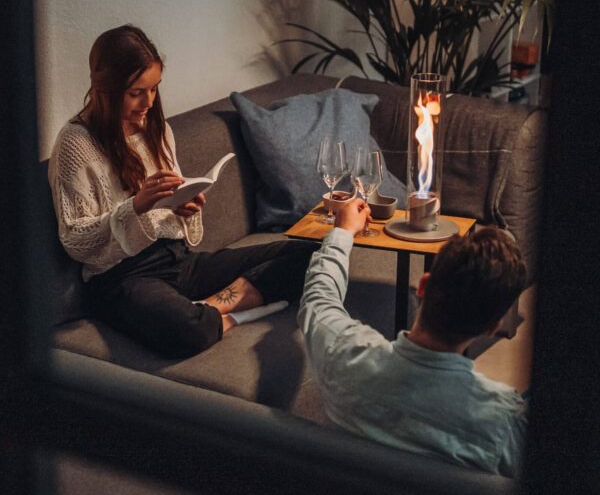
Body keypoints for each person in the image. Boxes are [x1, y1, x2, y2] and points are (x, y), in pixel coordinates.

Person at [49, 24, 317, 358]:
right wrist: (136, 207)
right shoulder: (76, 144)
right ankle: (216, 315)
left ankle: (209, 308)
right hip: (123, 277)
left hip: (178, 261)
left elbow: (170, 210)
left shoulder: (156, 129)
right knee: (188, 331)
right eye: (136, 92)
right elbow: (76, 239)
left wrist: (184, 206)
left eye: (154, 89)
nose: (148, 102)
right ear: (105, 88)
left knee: (312, 256)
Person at [298, 199, 528, 477]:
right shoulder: (505, 423)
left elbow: (318, 300)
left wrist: (343, 231)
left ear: (423, 286)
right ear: (493, 327)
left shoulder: (342, 353)